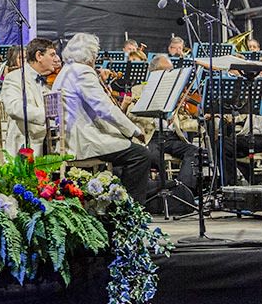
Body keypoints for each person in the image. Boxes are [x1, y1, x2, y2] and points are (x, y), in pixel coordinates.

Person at [52, 33, 151, 204]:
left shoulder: (66, 71)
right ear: (90, 55)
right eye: (95, 55)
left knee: (127, 147)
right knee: (140, 154)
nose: (96, 60)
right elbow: (105, 109)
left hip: (68, 137)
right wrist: (134, 130)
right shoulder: (83, 72)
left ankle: (113, 201)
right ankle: (131, 209)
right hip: (82, 140)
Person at [123, 54, 199, 190]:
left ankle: (183, 189)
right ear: (154, 72)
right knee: (153, 156)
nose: (170, 74)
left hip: (171, 137)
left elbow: (184, 121)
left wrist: (201, 122)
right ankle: (160, 191)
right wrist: (154, 116)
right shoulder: (139, 90)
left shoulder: (174, 93)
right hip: (152, 137)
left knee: (195, 152)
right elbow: (130, 114)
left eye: (171, 70)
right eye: (166, 70)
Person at [223, 58, 262, 185]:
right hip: (250, 135)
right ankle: (232, 184)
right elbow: (240, 114)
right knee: (225, 146)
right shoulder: (251, 90)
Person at [0, 38, 58, 156]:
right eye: (52, 55)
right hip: (28, 144)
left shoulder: (51, 80)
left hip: (50, 139)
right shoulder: (14, 77)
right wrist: (46, 115)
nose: (56, 59)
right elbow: (14, 107)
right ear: (39, 56)